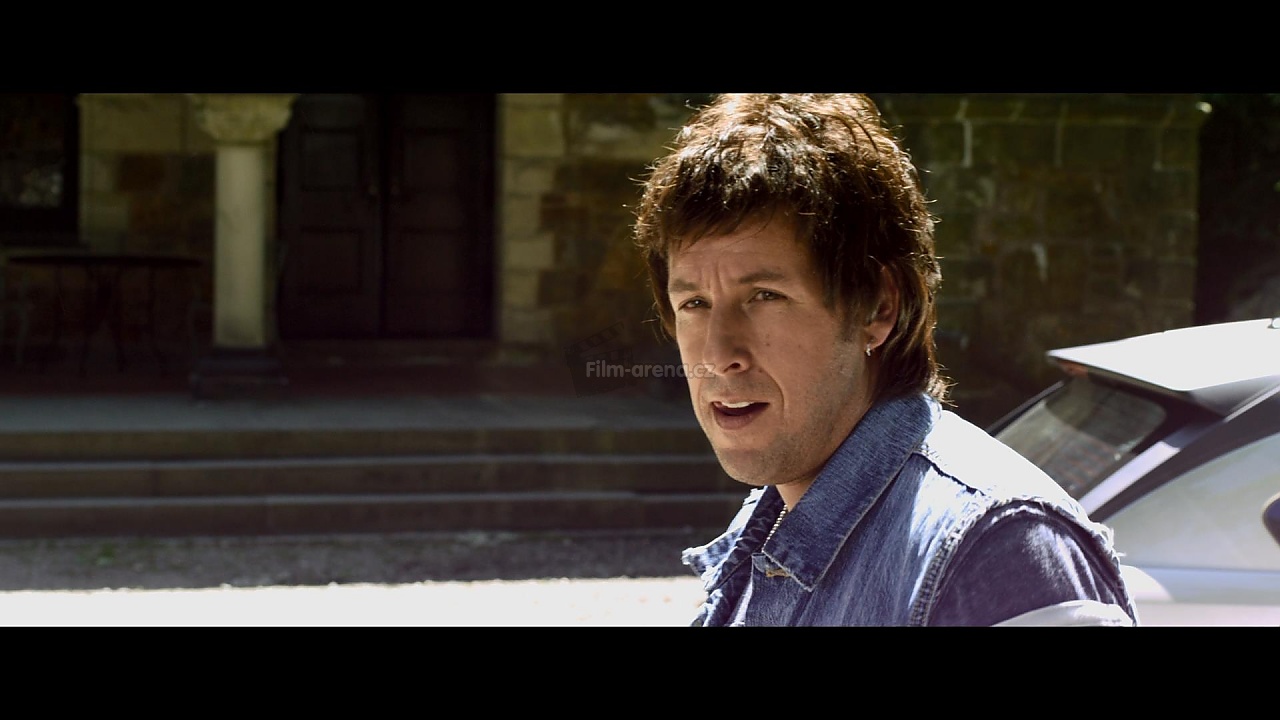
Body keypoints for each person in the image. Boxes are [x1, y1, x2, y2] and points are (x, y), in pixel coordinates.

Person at [632, 93, 1139, 626]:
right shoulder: (772, 527)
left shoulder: (995, 547)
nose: (718, 356)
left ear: (878, 307)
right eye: (694, 304)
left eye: (765, 296)